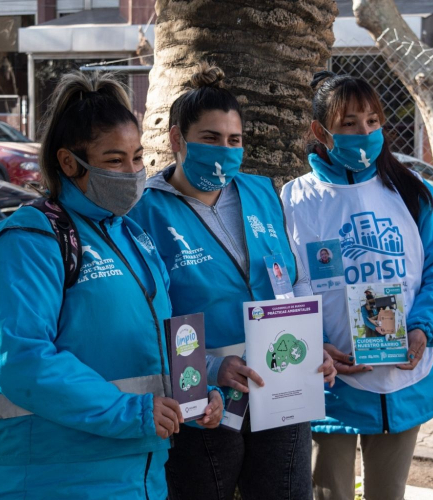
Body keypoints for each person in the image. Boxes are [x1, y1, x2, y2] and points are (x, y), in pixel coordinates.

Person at [0, 72, 223, 499]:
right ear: (68, 163)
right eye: (114, 160)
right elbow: (22, 360)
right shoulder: (32, 239)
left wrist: (198, 391)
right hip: (56, 478)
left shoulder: (131, 236)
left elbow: (161, 340)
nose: (133, 172)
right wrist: (129, 413)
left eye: (138, 158)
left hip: (139, 477)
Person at [130, 63, 337, 500]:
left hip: (283, 386)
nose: (225, 150)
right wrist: (208, 368)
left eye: (234, 140)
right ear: (176, 139)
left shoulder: (261, 191)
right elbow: (145, 317)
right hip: (205, 398)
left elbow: (294, 280)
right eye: (210, 138)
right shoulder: (144, 211)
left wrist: (311, 344)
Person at [281, 71, 433, 500]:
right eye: (349, 123)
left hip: (405, 380)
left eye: (372, 121)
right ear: (320, 131)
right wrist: (313, 345)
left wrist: (422, 328)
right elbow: (278, 288)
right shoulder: (293, 200)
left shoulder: (412, 191)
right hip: (330, 384)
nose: (364, 133)